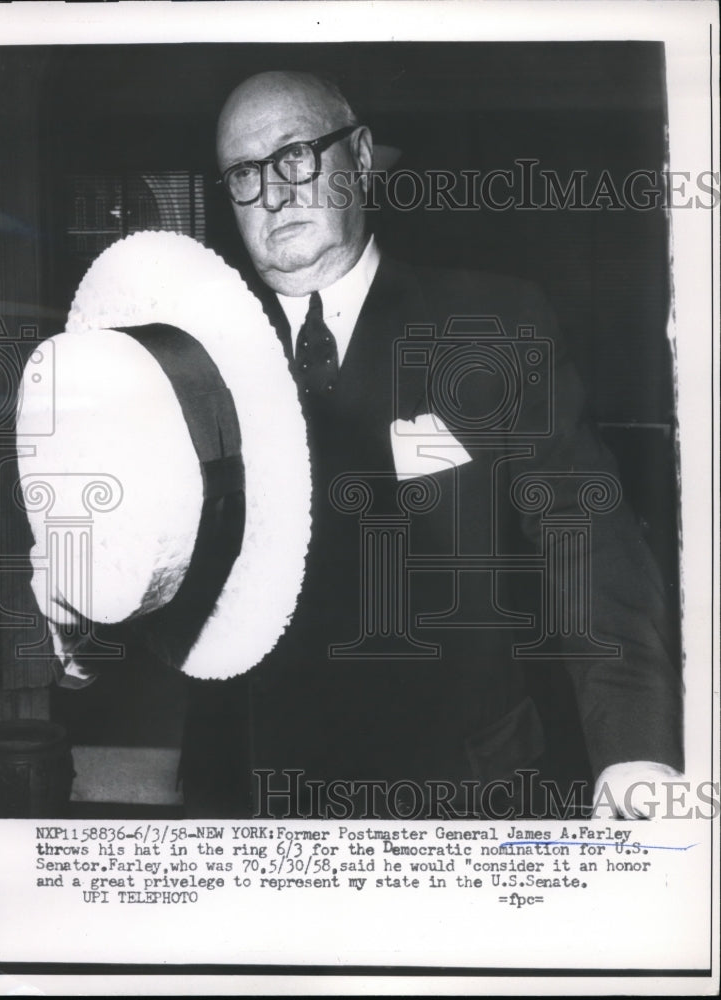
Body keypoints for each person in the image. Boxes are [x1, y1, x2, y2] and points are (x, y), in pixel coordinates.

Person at [177, 70, 683, 820]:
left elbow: (585, 536)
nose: (274, 194)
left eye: (293, 157)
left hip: (459, 790)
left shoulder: (493, 324)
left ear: (359, 155)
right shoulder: (192, 363)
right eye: (244, 175)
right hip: (254, 798)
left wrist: (634, 746)